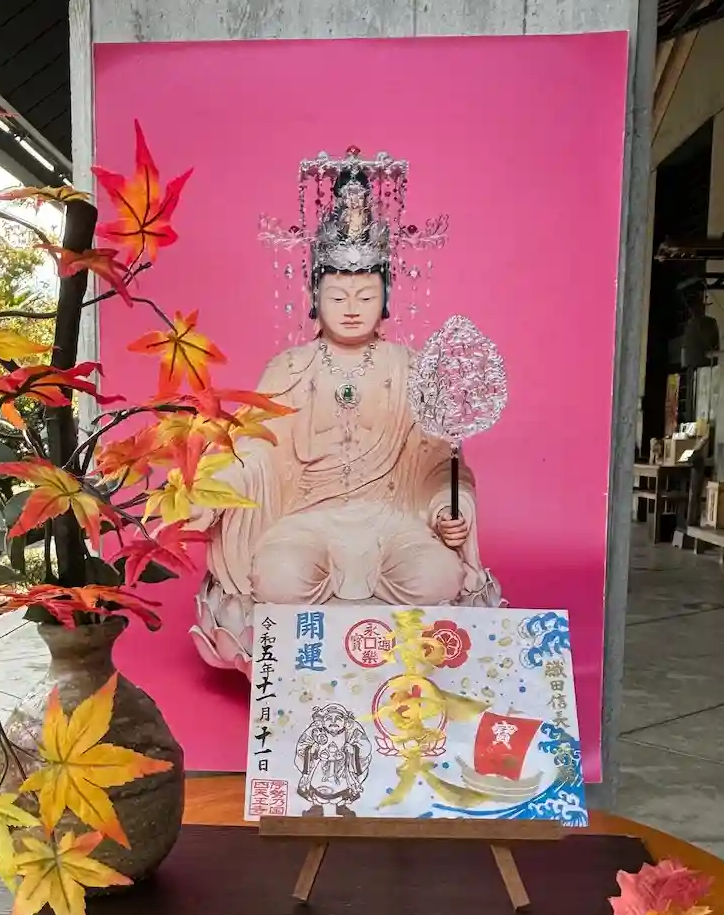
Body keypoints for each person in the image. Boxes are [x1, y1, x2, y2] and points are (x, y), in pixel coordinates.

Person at [192, 157, 501, 672]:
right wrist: (215, 486)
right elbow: (251, 449)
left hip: (392, 520)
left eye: (366, 295)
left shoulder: (411, 367)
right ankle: (320, 652)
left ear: (387, 297)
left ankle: (373, 648)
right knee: (278, 578)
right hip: (308, 520)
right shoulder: (290, 367)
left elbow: (440, 463)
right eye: (337, 295)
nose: (352, 307)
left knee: (439, 578)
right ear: (314, 296)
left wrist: (449, 508)